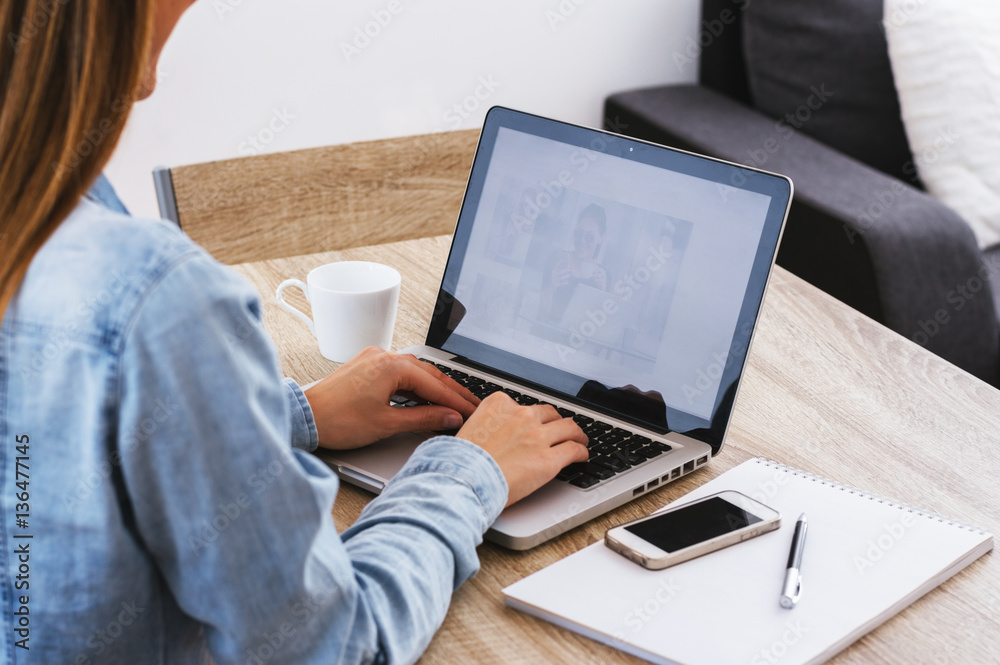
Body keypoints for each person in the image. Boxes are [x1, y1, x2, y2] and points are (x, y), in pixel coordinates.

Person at [0, 2, 588, 663]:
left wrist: (287, 412)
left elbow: (51, 434)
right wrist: (467, 473)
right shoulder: (155, 298)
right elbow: (327, 647)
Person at [537, 203, 609, 324]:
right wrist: (551, 287)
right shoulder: (556, 260)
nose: (581, 240)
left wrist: (602, 294)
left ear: (600, 238)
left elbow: (599, 328)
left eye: (590, 237)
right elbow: (540, 317)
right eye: (578, 233)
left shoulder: (603, 277)